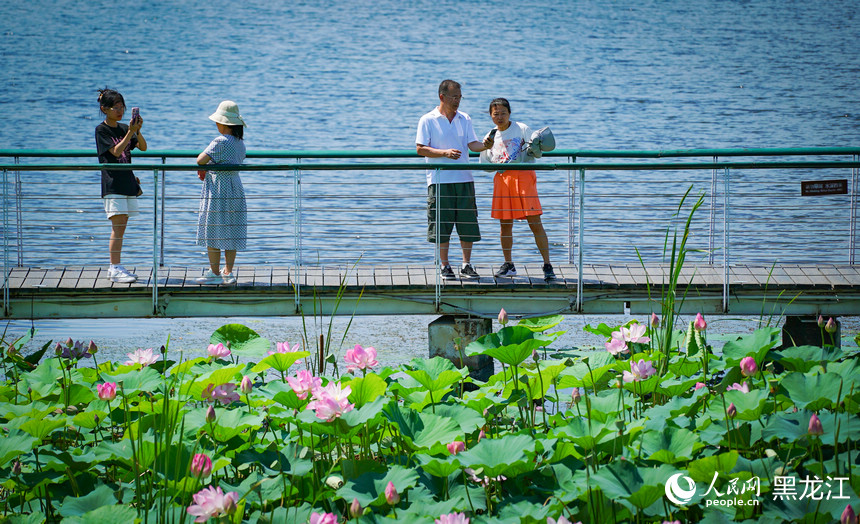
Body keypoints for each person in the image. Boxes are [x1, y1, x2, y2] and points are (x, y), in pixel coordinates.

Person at [416, 80, 492, 280]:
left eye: (460, 97)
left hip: (464, 178)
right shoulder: (427, 119)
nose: (458, 101)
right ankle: (444, 265)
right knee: (442, 224)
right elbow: (420, 148)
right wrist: (444, 153)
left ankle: (466, 265)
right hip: (439, 180)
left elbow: (472, 145)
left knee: (468, 223)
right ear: (442, 97)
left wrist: (486, 145)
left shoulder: (465, 118)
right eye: (454, 97)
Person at [479, 98, 556, 281]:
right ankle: (509, 264)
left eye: (503, 113)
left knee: (535, 222)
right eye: (495, 114)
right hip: (503, 181)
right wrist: (486, 147)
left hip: (523, 178)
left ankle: (547, 265)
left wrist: (536, 145)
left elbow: (538, 152)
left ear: (509, 113)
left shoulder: (522, 129)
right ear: (490, 116)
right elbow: (485, 165)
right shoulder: (490, 136)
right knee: (505, 225)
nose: (499, 117)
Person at [95, 88, 147, 283]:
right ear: (104, 109)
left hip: (127, 182)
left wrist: (137, 131)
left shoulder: (125, 127)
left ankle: (116, 266)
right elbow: (115, 152)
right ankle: (114, 267)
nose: (120, 111)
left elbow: (142, 147)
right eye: (115, 108)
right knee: (117, 227)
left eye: (122, 107)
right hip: (113, 184)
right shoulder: (102, 130)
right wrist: (129, 133)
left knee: (122, 226)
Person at [195, 101, 248, 286]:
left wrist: (206, 167)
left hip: (218, 189)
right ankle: (229, 271)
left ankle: (215, 272)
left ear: (224, 123)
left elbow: (200, 159)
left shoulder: (220, 141)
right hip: (235, 188)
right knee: (231, 230)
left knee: (213, 229)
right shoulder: (240, 144)